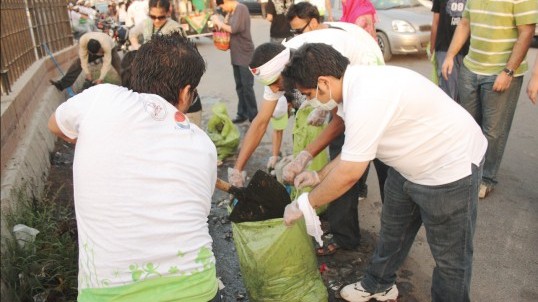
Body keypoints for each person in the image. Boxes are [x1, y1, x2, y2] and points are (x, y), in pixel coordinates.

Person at [282, 43, 487, 302]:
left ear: (323, 82)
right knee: (393, 232)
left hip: (449, 169)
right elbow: (353, 152)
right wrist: (319, 176)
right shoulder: (353, 86)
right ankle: (379, 284)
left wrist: (305, 204)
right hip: (407, 165)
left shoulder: (367, 97)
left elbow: (349, 173)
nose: (311, 100)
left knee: (451, 260)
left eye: (309, 93)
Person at [47, 33, 221, 302]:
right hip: (197, 289)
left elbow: (54, 125)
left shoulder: (100, 98)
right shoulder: (203, 144)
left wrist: (92, 139)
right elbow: (197, 206)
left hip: (109, 294)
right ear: (186, 93)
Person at [230, 20, 384, 255]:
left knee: (355, 157)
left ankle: (351, 235)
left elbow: (340, 120)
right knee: (345, 161)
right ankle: (345, 222)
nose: (273, 91)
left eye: (275, 85)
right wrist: (237, 170)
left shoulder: (315, 62)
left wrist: (305, 155)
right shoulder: (274, 66)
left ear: (287, 72)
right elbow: (261, 121)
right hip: (336, 75)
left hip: (366, 61)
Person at [441, 0, 537, 199]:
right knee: (467, 124)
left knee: (493, 131)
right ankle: (465, 172)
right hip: (470, 67)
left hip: (500, 72)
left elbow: (526, 32)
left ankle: (486, 178)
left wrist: (508, 71)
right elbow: (465, 23)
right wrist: (450, 55)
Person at [211, 0, 258, 124]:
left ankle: (253, 115)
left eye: (222, 5)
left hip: (245, 54)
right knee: (240, 86)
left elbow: (234, 29)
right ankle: (242, 113)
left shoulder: (241, 8)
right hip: (236, 54)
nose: (223, 8)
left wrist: (218, 22)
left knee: (247, 86)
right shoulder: (231, 12)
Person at [50, 31, 121, 92]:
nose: (98, 55)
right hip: (93, 48)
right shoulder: (83, 41)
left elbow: (107, 63)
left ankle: (128, 85)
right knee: (77, 63)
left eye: (98, 52)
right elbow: (83, 60)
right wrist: (87, 73)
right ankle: (62, 84)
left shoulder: (106, 44)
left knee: (120, 67)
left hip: (111, 48)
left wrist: (100, 78)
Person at [429, 0, 468, 102]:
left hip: (466, 50)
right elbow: (435, 23)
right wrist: (432, 48)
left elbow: (435, 23)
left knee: (462, 94)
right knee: (449, 94)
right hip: (444, 49)